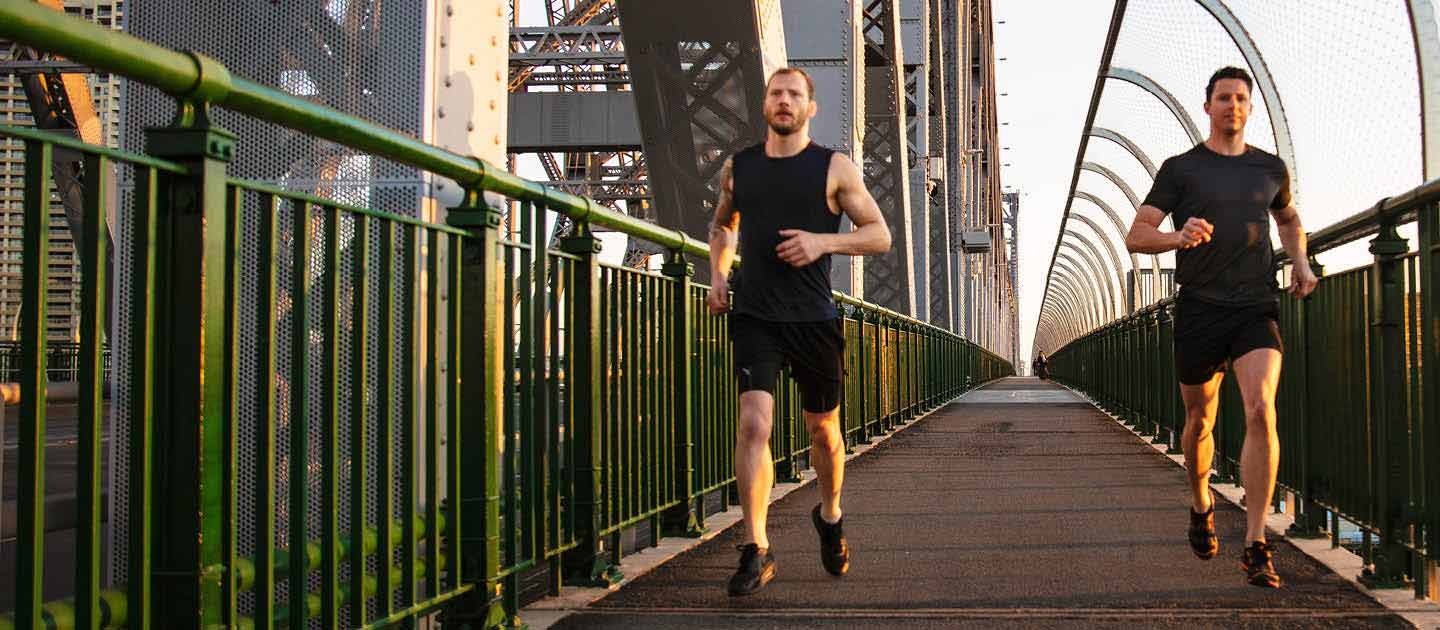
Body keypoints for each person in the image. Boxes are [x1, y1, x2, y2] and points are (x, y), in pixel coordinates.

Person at [1125, 66, 1317, 588]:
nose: (1232, 105)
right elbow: (1136, 235)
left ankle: (1257, 542)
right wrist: (1177, 236)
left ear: (1249, 108)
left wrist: (1299, 262)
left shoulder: (1269, 168)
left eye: (1240, 98)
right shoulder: (1181, 169)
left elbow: (1289, 218)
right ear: (1206, 106)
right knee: (1200, 421)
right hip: (1201, 307)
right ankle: (1200, 500)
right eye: (1223, 98)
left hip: (1255, 304)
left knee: (1260, 409)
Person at [706, 67, 892, 596]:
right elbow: (723, 225)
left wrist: (822, 243)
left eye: (794, 95)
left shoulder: (833, 167)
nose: (783, 101)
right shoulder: (739, 168)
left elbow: (880, 235)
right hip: (756, 314)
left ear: (811, 108)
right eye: (774, 93)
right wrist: (719, 273)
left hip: (813, 317)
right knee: (754, 424)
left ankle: (830, 515)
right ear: (764, 105)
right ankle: (756, 548)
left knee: (824, 434)